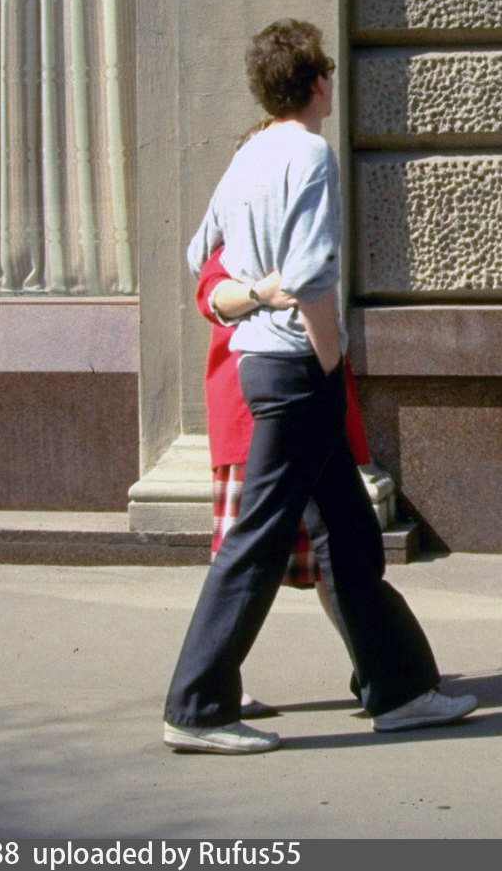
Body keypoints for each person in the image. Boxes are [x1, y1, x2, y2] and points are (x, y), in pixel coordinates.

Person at [162, 19, 477, 754]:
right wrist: (328, 359)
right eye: (327, 72)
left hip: (260, 365)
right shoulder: (308, 152)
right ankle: (198, 702)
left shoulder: (248, 157)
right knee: (260, 540)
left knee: (350, 534)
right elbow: (309, 274)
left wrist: (249, 291)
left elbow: (196, 252)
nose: (332, 82)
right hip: (300, 365)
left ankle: (398, 688)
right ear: (316, 83)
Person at [196, 242, 371, 718]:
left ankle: (376, 665)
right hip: (255, 422)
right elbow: (213, 295)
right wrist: (260, 291)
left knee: (333, 555)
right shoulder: (241, 232)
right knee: (246, 559)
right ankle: (211, 685)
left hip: (304, 411)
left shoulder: (297, 230)